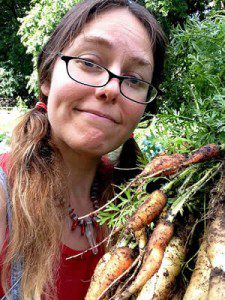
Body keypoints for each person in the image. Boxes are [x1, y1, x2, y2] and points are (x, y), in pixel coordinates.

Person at [0, 0, 166, 299]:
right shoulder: (4, 197)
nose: (112, 88)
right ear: (47, 77)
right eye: (90, 62)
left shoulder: (146, 206)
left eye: (134, 80)